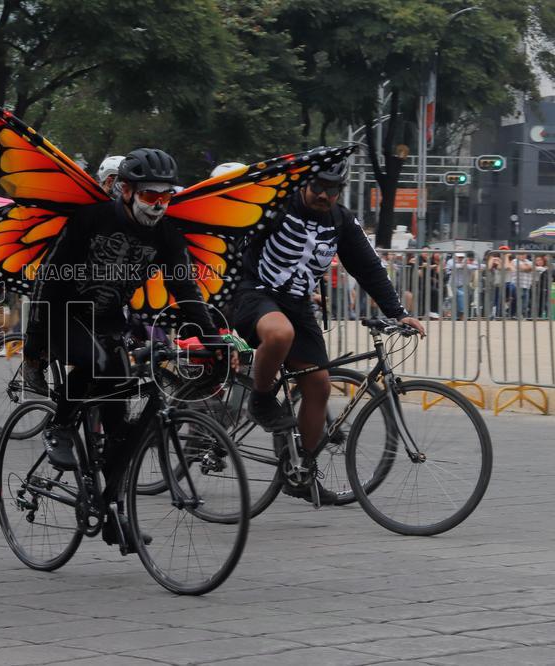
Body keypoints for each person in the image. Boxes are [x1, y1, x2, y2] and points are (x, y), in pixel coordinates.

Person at [22, 148, 221, 551]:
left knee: (121, 432)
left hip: (112, 318)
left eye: (166, 197)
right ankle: (59, 425)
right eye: (151, 196)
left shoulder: (166, 233)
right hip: (65, 314)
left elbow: (184, 289)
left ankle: (111, 514)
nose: (159, 205)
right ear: (126, 190)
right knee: (103, 365)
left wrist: (213, 337)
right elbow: (48, 281)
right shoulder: (90, 219)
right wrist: (34, 351)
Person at [230, 160, 425, 504]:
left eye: (331, 189)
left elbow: (367, 266)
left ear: (340, 190)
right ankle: (260, 400)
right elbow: (232, 239)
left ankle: (301, 472)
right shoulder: (277, 205)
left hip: (298, 303)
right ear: (304, 184)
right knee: (279, 334)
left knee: (318, 385)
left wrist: (398, 312)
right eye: (317, 186)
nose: (323, 194)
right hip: (255, 291)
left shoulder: (341, 220)